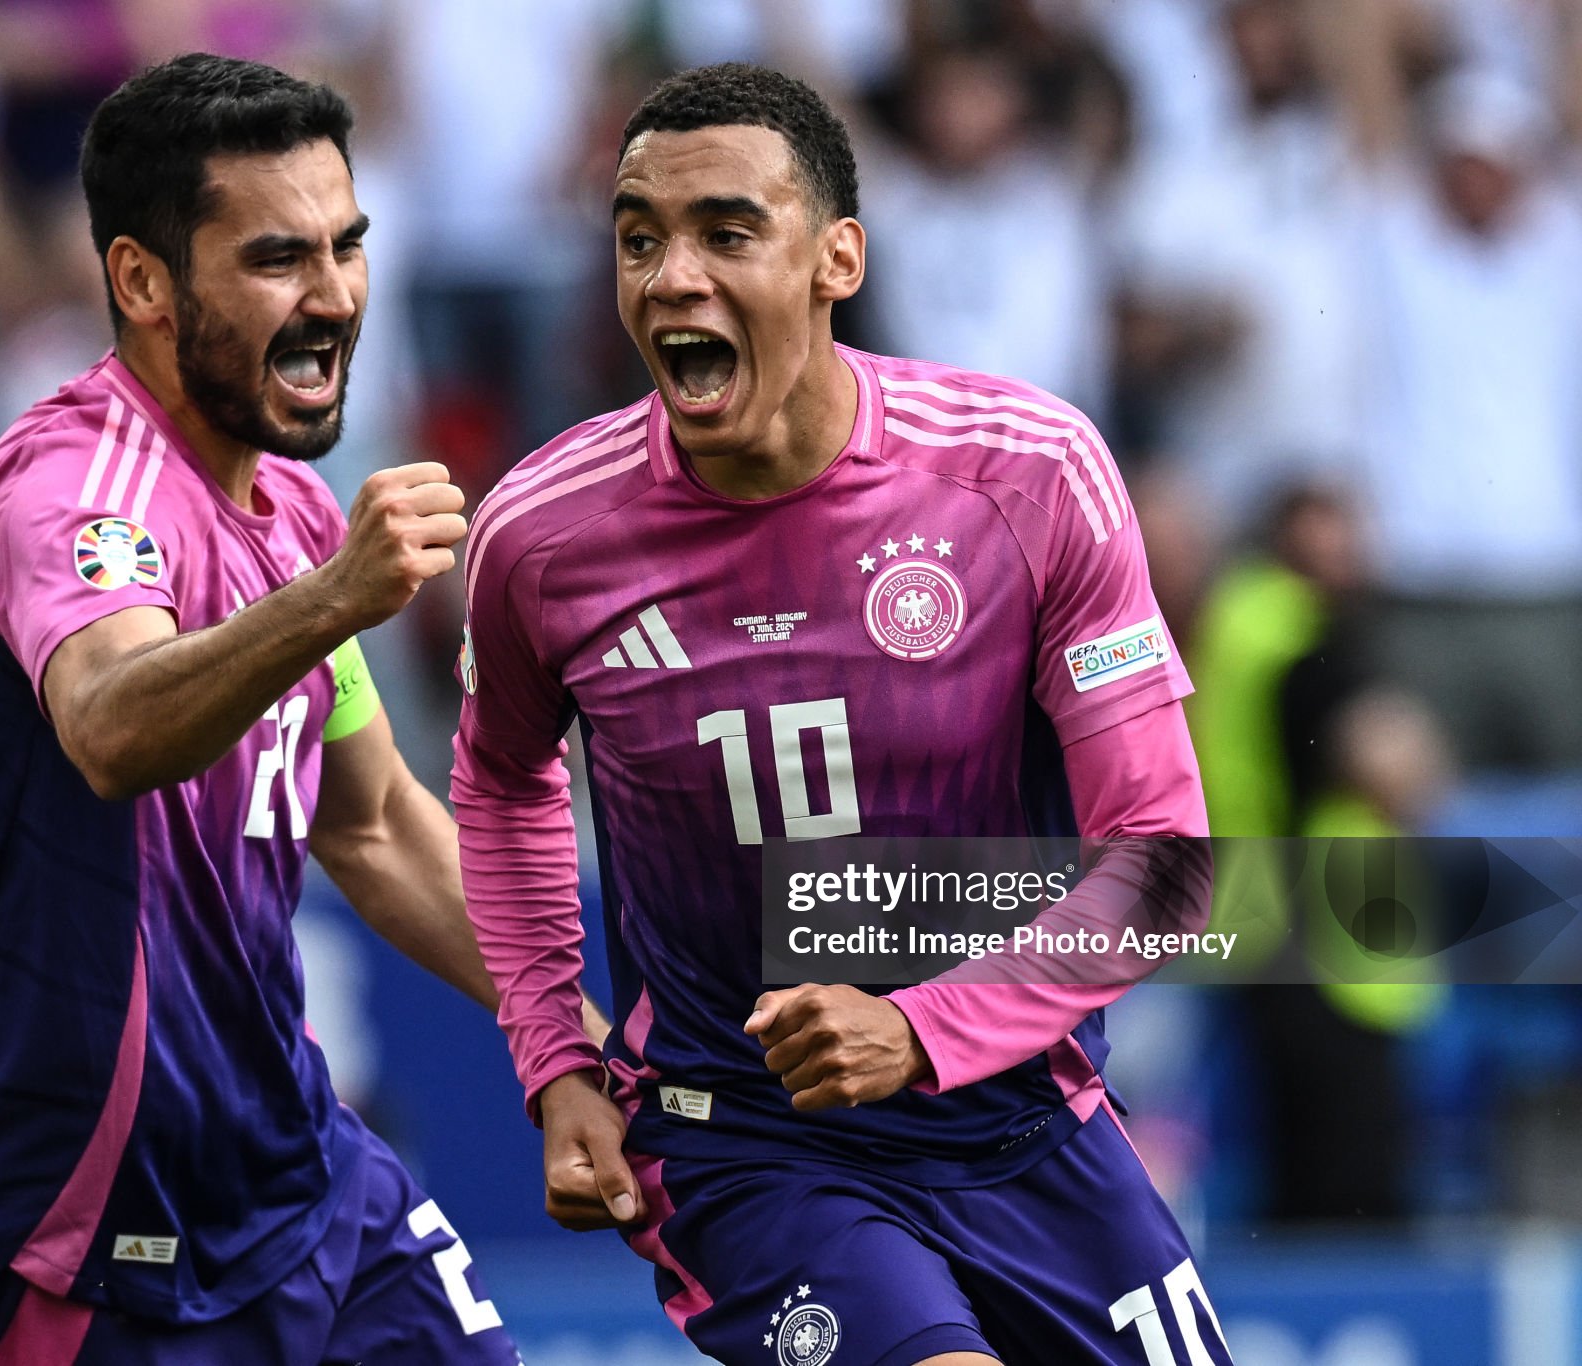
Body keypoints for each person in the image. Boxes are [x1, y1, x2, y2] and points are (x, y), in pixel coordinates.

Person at [454, 63, 1229, 1366]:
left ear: (838, 259)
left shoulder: (1024, 477)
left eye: (727, 233)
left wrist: (921, 1029)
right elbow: (504, 779)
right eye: (639, 238)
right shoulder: (540, 534)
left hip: (1022, 1122)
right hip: (743, 1140)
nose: (670, 276)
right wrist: (555, 1055)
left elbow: (1162, 861)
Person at [0, 55, 530, 1366]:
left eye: (349, 247)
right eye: (280, 258)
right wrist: (334, 600)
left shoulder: (291, 506)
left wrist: (591, 1028)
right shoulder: (70, 487)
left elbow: (380, 824)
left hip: (299, 1186)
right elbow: (113, 723)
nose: (335, 296)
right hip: (70, 1238)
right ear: (142, 282)